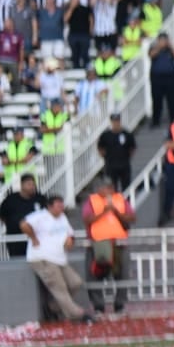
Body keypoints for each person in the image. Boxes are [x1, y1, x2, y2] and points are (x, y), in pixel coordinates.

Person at [21, 194, 95, 324]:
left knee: (75, 282)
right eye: (58, 205)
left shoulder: (62, 217)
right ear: (49, 206)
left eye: (62, 205)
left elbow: (70, 234)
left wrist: (70, 241)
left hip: (59, 258)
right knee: (59, 287)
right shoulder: (40, 216)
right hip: (42, 257)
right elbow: (24, 224)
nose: (61, 208)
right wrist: (33, 238)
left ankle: (53, 307)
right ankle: (77, 314)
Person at [82, 177, 134, 315]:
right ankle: (98, 306)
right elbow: (87, 219)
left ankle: (120, 305)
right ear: (99, 189)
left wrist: (116, 212)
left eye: (110, 187)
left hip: (119, 244)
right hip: (98, 245)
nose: (109, 190)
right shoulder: (91, 201)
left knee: (122, 274)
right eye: (105, 187)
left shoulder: (120, 199)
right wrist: (104, 211)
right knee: (94, 274)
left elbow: (132, 218)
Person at [0, 173, 48, 259]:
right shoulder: (11, 199)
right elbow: (2, 217)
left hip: (36, 238)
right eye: (29, 184)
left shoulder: (40, 198)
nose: (32, 187)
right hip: (15, 239)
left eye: (33, 184)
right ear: (22, 185)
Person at [97, 112, 136, 190]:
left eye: (117, 121)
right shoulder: (106, 135)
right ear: (111, 122)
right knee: (112, 188)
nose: (116, 123)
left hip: (124, 165)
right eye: (114, 121)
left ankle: (125, 202)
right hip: (111, 166)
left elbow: (132, 147)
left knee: (126, 187)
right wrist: (105, 157)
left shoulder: (126, 134)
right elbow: (100, 147)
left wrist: (127, 157)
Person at [149, 32, 174, 127]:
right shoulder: (154, 48)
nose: (163, 42)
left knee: (172, 100)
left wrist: (170, 46)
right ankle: (156, 121)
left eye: (164, 40)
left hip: (171, 78)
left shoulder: (170, 49)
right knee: (157, 100)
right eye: (161, 40)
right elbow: (151, 55)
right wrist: (159, 47)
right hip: (157, 78)